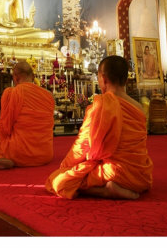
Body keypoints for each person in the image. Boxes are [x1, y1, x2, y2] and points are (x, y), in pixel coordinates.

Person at [45, 55, 153, 199]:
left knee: (58, 181)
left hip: (114, 173)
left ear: (103, 78)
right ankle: (116, 188)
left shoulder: (100, 105)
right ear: (126, 79)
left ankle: (106, 191)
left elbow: (82, 146)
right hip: (141, 175)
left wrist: (66, 167)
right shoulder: (139, 108)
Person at [0, 61, 55, 171]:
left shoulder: (12, 92)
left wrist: (6, 143)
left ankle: (3, 159)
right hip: (45, 155)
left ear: (15, 78)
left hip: (20, 153)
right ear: (33, 76)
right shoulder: (48, 95)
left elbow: (4, 128)